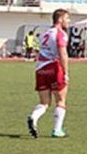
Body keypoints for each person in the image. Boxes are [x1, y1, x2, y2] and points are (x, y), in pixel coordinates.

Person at [26, 9, 71, 138]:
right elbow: (62, 53)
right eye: (67, 18)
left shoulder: (45, 33)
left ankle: (33, 117)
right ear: (60, 19)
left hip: (40, 68)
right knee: (61, 101)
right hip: (55, 67)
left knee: (44, 103)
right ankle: (57, 130)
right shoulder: (60, 34)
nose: (69, 21)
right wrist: (66, 72)